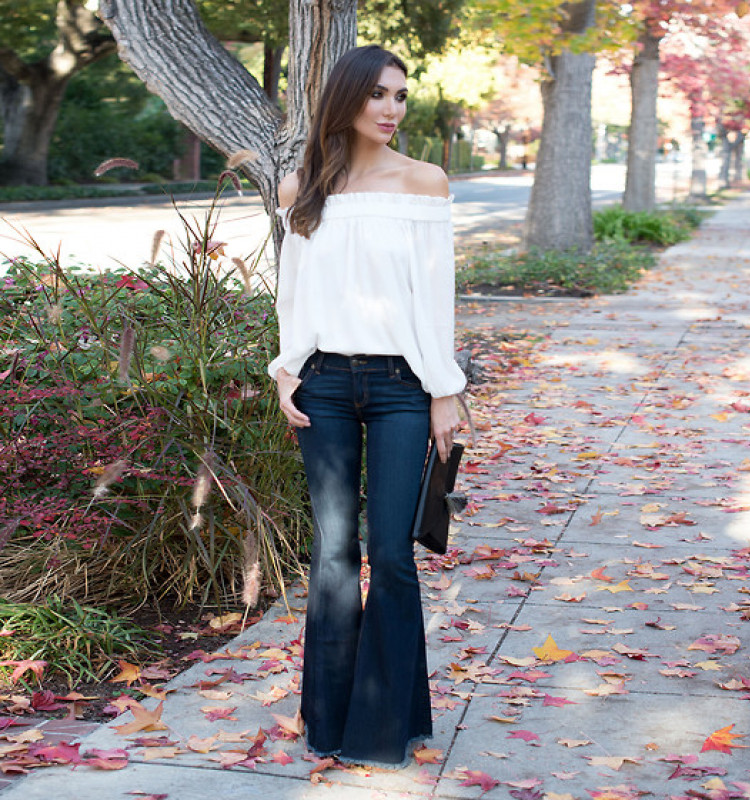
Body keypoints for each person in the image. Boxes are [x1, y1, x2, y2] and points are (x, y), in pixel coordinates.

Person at [268, 44, 466, 768]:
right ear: (347, 99)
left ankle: (387, 725)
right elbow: (295, 293)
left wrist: (444, 390)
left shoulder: (424, 183)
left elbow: (434, 298)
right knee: (332, 557)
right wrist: (286, 370)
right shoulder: (303, 189)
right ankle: (328, 726)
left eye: (400, 96)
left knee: (391, 551)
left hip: (399, 390)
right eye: (378, 94)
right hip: (320, 384)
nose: (391, 109)